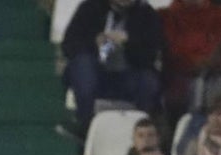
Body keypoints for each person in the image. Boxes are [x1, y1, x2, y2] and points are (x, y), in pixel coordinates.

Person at [59, 0, 164, 139]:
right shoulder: (90, 8)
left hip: (128, 75)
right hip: (95, 74)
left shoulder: (146, 14)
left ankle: (143, 131)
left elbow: (150, 55)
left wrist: (128, 41)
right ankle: (85, 126)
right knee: (83, 66)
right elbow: (69, 45)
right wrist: (94, 43)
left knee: (149, 81)